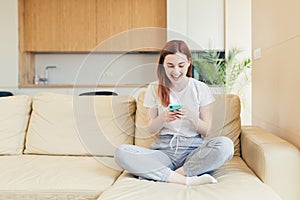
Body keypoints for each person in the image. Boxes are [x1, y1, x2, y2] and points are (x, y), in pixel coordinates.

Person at [115, 40, 234, 186]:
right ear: (162, 65)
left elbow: (206, 131)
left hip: (194, 151)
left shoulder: (200, 88)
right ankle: (185, 179)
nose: (176, 71)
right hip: (164, 151)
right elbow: (151, 129)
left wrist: (191, 116)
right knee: (122, 152)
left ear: (189, 62)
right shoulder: (154, 88)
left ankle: (170, 174)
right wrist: (163, 117)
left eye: (181, 65)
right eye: (170, 66)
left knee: (226, 145)